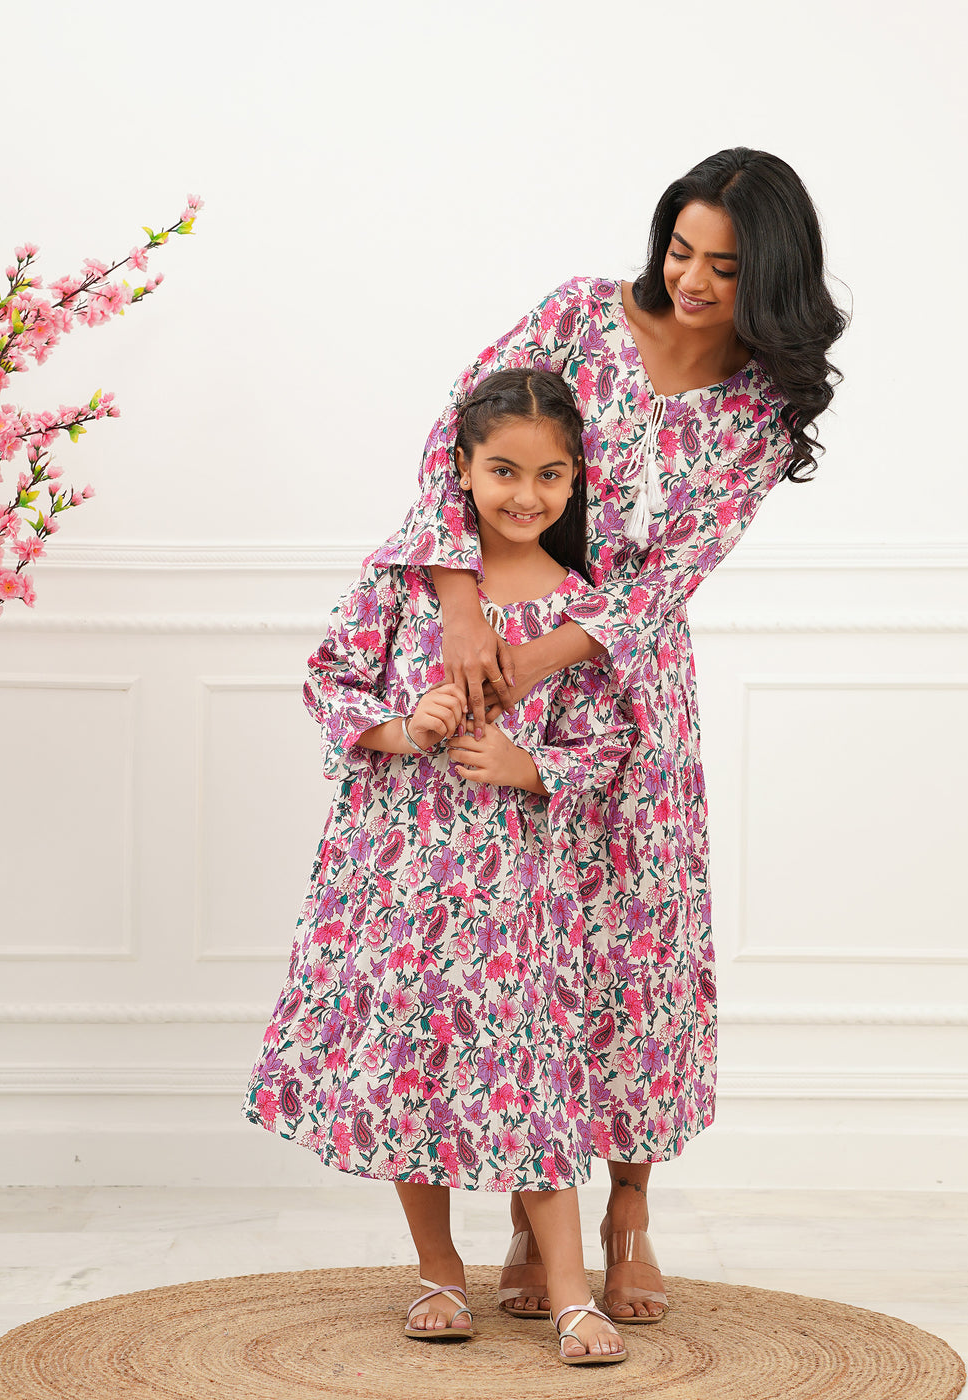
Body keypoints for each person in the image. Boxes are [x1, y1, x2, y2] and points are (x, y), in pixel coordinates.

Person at [371, 147, 847, 1324]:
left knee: (629, 946)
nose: (689, 279)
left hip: (622, 689)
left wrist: (534, 658)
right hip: (482, 641)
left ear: (769, 277)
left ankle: (626, 1205)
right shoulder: (580, 316)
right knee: (516, 952)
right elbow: (454, 440)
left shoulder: (762, 408)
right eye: (681, 249)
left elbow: (667, 575)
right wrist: (464, 608)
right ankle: (534, 1221)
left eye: (724, 267)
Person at [243, 368, 634, 1365]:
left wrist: (529, 765)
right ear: (459, 468)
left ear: (574, 478)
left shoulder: (577, 612)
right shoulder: (401, 580)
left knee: (524, 1074)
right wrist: (398, 727)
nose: (523, 495)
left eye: (549, 475)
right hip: (396, 876)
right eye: (501, 469)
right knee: (407, 1063)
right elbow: (327, 675)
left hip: (514, 893)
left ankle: (568, 1291)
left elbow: (607, 746)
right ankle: (437, 1271)